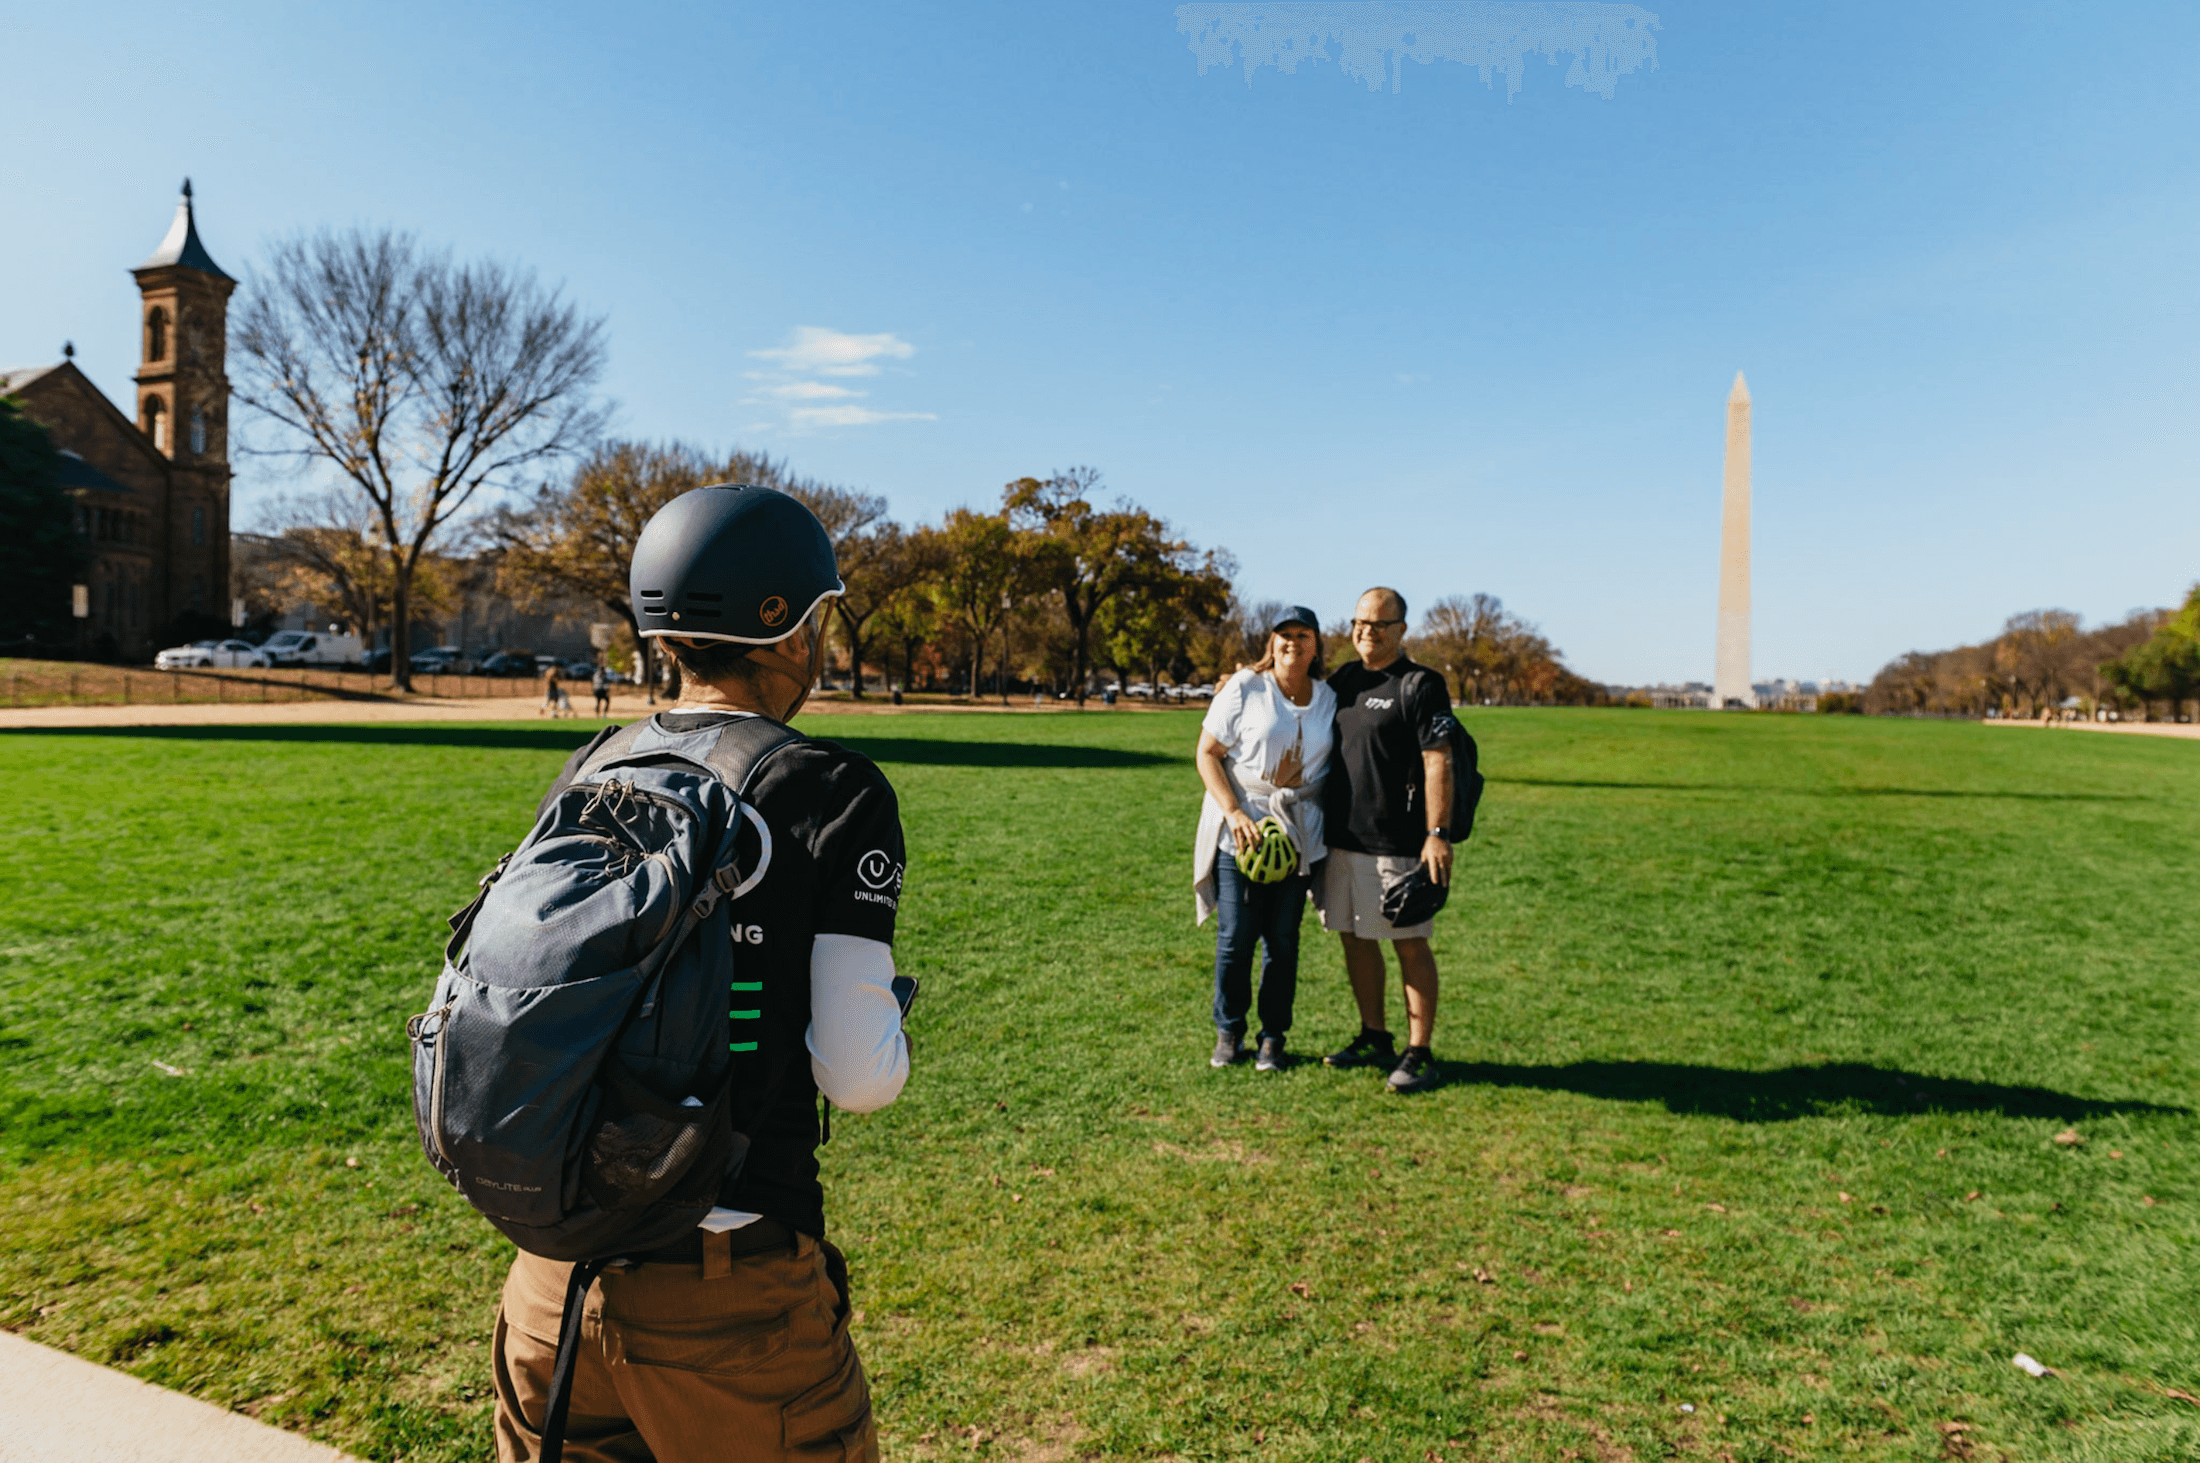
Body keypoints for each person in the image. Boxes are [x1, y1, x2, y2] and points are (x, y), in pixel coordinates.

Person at [492, 485, 911, 1463]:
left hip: (552, 1285)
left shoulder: (594, 763)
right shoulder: (829, 789)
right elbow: (860, 1076)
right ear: (787, 625)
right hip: (729, 1298)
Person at [1318, 587, 1456, 1094]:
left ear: (1401, 630)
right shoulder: (1343, 681)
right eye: (1359, 623)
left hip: (1399, 842)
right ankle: (1374, 1035)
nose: (1366, 632)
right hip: (1342, 839)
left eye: (1378, 625)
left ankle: (1419, 1052)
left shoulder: (1420, 684)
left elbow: (1438, 759)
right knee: (1354, 937)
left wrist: (1436, 834)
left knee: (1410, 943)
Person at [1192, 606, 1335, 1072]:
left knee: (1283, 941)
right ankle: (1228, 1030)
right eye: (1284, 634)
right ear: (1271, 642)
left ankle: (1273, 1035)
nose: (1293, 642)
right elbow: (1207, 753)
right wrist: (1232, 812)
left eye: (1303, 634)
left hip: (1296, 834)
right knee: (1236, 937)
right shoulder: (1246, 688)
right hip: (1244, 831)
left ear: (1317, 644)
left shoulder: (1329, 698)